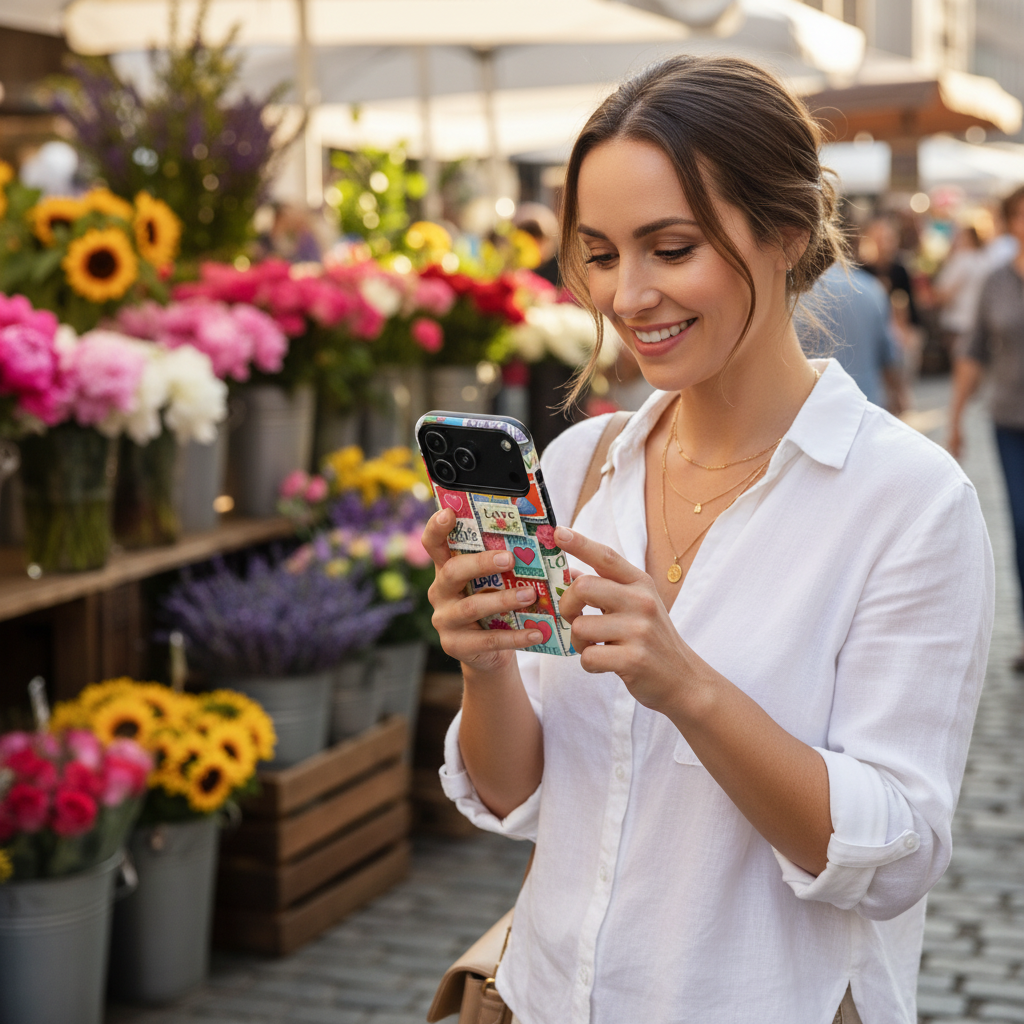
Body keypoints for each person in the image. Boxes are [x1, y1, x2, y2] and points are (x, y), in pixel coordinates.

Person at [423, 55, 993, 1024]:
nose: (629, 294)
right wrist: (483, 665)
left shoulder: (908, 502)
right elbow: (514, 797)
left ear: (785, 232)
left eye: (670, 247)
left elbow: (894, 853)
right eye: (600, 254)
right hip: (542, 997)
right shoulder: (578, 469)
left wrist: (686, 685)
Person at [949, 184, 1024, 672]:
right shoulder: (996, 281)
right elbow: (974, 351)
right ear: (1011, 223)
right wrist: (954, 418)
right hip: (1010, 421)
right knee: (1021, 526)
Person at [800, 258, 908, 414]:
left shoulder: (796, 294)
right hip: (865, 405)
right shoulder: (871, 289)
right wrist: (898, 394)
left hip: (810, 410)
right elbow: (889, 354)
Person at [933, 224, 988, 360]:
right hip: (976, 319)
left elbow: (945, 294)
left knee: (961, 362)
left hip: (958, 320)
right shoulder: (983, 260)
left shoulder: (961, 260)